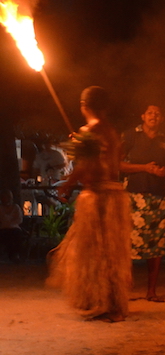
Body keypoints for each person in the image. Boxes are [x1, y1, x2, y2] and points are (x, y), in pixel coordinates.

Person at [48, 86, 132, 321]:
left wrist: (67, 184)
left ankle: (98, 302)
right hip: (115, 195)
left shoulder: (89, 131)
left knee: (94, 254)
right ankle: (114, 304)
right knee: (111, 254)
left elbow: (85, 166)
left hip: (96, 197)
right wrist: (82, 144)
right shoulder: (112, 132)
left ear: (84, 106)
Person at [121, 104, 165, 302]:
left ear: (162, 119)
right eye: (150, 113)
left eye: (158, 113)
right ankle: (124, 290)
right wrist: (144, 168)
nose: (154, 116)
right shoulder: (130, 136)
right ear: (142, 116)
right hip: (134, 196)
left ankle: (151, 291)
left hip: (159, 196)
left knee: (156, 244)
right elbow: (117, 164)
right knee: (128, 243)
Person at [0, 189, 24, 262]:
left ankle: (15, 254)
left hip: (14, 228)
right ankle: (11, 255)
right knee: (7, 235)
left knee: (16, 235)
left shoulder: (16, 208)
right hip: (3, 228)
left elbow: (19, 219)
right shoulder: (0, 208)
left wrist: (11, 223)